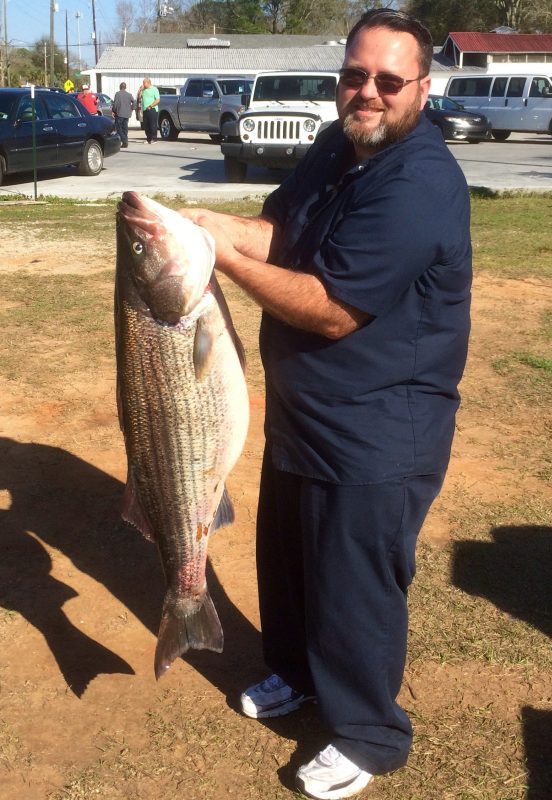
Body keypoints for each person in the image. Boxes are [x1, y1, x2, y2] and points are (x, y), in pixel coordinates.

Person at [183, 9, 471, 799]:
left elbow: (330, 307)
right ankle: (296, 673)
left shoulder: (420, 182)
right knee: (291, 561)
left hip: (380, 424)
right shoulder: (333, 146)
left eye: (386, 80)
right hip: (304, 412)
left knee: (354, 583)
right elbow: (282, 233)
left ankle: (370, 733)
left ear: (421, 86)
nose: (367, 92)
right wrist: (206, 227)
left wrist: (220, 261)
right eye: (354, 76)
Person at [112, 81, 136, 149]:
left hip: (120, 114)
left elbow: (115, 104)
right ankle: (125, 142)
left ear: (120, 87)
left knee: (119, 128)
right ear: (125, 87)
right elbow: (134, 102)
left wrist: (113, 111)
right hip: (127, 114)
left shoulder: (117, 94)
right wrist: (132, 108)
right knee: (125, 128)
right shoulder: (129, 94)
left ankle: (124, 141)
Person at [140, 77, 160, 144]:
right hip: (145, 109)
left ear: (148, 83)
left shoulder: (154, 89)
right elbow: (139, 97)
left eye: (144, 83)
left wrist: (151, 106)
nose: (143, 84)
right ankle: (148, 139)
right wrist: (140, 90)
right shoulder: (143, 90)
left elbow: (158, 100)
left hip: (152, 109)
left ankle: (154, 139)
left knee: (152, 125)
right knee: (146, 125)